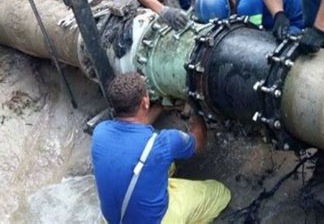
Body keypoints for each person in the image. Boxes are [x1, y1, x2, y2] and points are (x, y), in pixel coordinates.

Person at [91, 72, 231, 223]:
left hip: (113, 219)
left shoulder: (100, 131)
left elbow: (134, 125)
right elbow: (199, 143)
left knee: (160, 162)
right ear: (145, 102)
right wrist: (196, 109)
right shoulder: (165, 142)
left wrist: (160, 108)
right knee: (220, 193)